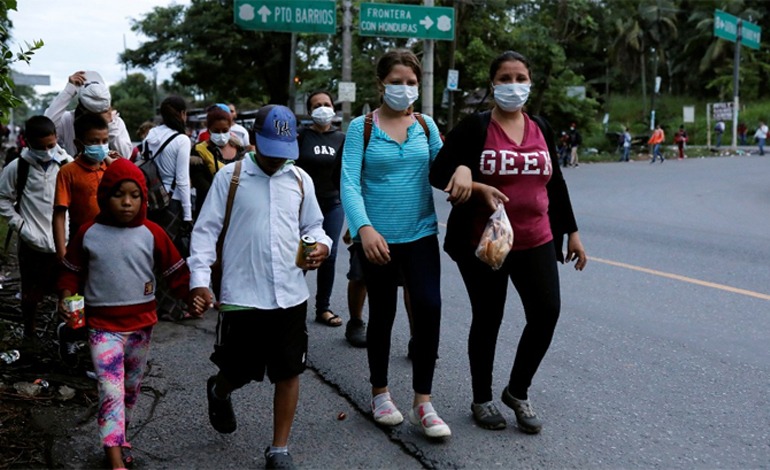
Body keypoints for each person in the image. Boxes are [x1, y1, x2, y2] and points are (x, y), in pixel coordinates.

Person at [429, 50, 587, 434]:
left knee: (546, 312)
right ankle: (481, 398)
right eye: (505, 78)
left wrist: (573, 232)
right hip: (487, 243)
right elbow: (439, 171)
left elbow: (556, 183)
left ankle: (517, 390)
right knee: (489, 318)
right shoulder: (475, 127)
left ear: (529, 83)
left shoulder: (541, 128)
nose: (513, 85)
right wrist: (474, 180)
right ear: (493, 84)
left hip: (537, 239)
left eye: (520, 77)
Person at [188, 104, 331, 470]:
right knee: (239, 369)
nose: (276, 160)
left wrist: (320, 246)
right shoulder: (231, 178)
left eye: (283, 153)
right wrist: (199, 282)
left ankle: (279, 449)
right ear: (254, 140)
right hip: (242, 294)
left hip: (290, 293)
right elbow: (205, 232)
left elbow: (314, 226)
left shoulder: (299, 179)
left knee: (289, 370)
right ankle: (220, 389)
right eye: (270, 151)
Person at [340, 49, 461, 439]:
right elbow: (349, 183)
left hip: (421, 234)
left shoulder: (426, 126)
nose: (404, 88)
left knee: (428, 309)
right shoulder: (363, 127)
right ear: (381, 84)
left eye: (411, 82)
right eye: (397, 81)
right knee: (384, 314)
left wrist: (463, 171)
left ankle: (423, 402)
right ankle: (380, 393)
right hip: (379, 240)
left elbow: (445, 169)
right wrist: (364, 229)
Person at [57, 158, 191, 470]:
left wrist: (194, 297)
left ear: (144, 198)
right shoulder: (89, 233)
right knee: (110, 389)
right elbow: (70, 273)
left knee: (130, 389)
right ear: (104, 197)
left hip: (142, 327)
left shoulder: (152, 232)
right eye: (119, 195)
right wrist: (66, 296)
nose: (127, 202)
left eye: (135, 195)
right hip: (102, 328)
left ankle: (121, 436)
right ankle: (115, 459)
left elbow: (176, 273)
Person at [0, 116, 73, 343]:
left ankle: (69, 333)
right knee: (31, 295)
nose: (47, 151)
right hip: (31, 243)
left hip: (64, 242)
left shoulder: (66, 163)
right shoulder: (18, 167)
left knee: (68, 291)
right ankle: (29, 334)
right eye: (40, 147)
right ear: (27, 143)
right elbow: (3, 199)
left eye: (51, 146)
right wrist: (20, 226)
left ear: (57, 139)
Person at [53, 114, 116, 365]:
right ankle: (69, 335)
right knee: (80, 303)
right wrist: (62, 253)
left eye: (105, 140)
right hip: (82, 248)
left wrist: (110, 161)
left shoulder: (111, 169)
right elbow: (59, 214)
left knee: (105, 300)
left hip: (111, 248)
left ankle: (99, 353)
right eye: (94, 141)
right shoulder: (68, 172)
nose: (101, 146)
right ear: (79, 143)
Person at [295, 90, 346, 328]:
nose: (322, 108)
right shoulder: (300, 136)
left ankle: (322, 308)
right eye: (316, 105)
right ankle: (291, 305)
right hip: (302, 205)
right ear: (309, 111)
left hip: (333, 203)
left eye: (326, 104)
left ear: (334, 108)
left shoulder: (342, 138)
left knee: (329, 254)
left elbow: (349, 174)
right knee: (303, 254)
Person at [140, 96, 193, 320]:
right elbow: (182, 180)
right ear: (182, 113)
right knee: (173, 256)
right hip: (173, 204)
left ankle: (150, 303)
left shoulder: (151, 134)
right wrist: (188, 216)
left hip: (151, 201)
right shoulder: (181, 140)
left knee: (154, 255)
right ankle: (172, 308)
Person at [45, 70, 132, 158]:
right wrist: (68, 91)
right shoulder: (67, 120)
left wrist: (110, 126)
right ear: (81, 107)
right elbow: (44, 128)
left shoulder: (116, 123)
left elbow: (125, 156)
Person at [189, 106, 247, 218]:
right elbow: (201, 184)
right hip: (210, 211)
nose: (221, 135)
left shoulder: (238, 147)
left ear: (230, 128)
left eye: (225, 130)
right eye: (216, 131)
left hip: (238, 211)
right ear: (208, 129)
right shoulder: (198, 151)